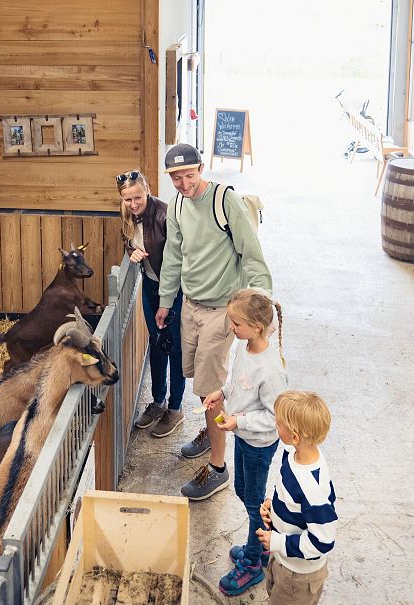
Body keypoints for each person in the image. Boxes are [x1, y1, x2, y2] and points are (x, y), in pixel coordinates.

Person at [156, 143, 273, 501]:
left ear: (201, 168)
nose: (183, 183)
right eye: (176, 177)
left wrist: (262, 309)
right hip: (191, 305)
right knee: (198, 378)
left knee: (210, 388)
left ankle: (219, 468)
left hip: (222, 309)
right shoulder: (176, 204)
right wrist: (165, 301)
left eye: (189, 175)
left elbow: (252, 254)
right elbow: (173, 256)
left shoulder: (226, 202)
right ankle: (211, 431)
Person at [204, 289, 287, 595]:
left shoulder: (270, 368)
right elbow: (238, 379)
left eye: (236, 323)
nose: (231, 328)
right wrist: (222, 393)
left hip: (259, 443)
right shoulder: (245, 347)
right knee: (244, 491)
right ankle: (261, 542)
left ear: (258, 327)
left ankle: (254, 561)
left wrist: (240, 421)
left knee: (253, 501)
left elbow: (275, 418)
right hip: (242, 436)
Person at [117, 170, 186, 437]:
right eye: (127, 199)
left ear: (147, 190)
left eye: (138, 197)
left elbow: (176, 259)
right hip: (150, 285)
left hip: (172, 289)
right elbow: (130, 242)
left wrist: (166, 301)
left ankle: (176, 407)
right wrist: (130, 251)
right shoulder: (127, 215)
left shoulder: (165, 215)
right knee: (156, 344)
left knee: (175, 347)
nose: (134, 204)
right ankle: (158, 402)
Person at [257, 391, 336, 605]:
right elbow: (289, 493)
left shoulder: (312, 489)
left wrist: (277, 541)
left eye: (279, 423)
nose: (275, 425)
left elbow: (323, 541)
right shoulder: (293, 455)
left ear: (295, 437)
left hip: (299, 576)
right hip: (284, 558)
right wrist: (274, 506)